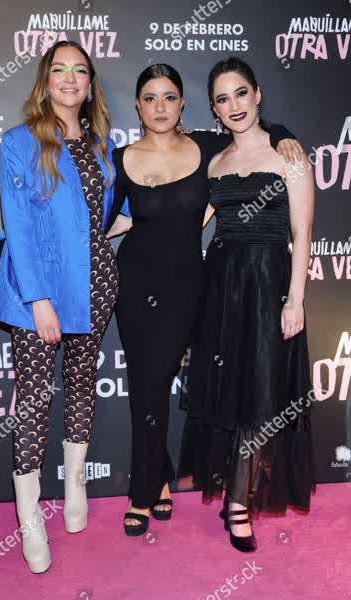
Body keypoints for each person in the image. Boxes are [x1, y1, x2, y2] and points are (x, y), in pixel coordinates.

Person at [106, 63, 302, 537]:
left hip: (190, 284)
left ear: (183, 104)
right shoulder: (119, 157)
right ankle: (149, 484)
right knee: (145, 385)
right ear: (137, 106)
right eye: (150, 98)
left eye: (169, 97)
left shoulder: (208, 147)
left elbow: (251, 129)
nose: (160, 107)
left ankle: (155, 478)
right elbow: (113, 220)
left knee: (161, 381)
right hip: (134, 282)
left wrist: (285, 135)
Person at [0, 40, 128, 573]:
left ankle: (74, 488)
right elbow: (19, 226)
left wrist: (125, 224)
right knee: (34, 401)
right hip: (38, 292)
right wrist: (39, 300)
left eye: (80, 70)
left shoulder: (102, 146)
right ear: (46, 82)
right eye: (60, 69)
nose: (70, 78)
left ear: (89, 84)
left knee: (83, 384)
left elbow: (103, 213)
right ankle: (29, 519)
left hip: (95, 283)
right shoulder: (19, 142)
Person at [180, 56, 315, 553]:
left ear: (257, 94)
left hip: (268, 286)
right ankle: (234, 493)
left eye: (240, 93)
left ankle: (239, 500)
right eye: (222, 98)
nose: (233, 105)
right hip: (221, 288)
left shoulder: (289, 155)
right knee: (229, 393)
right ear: (214, 109)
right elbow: (188, 223)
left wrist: (295, 299)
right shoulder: (213, 161)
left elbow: (303, 233)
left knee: (261, 393)